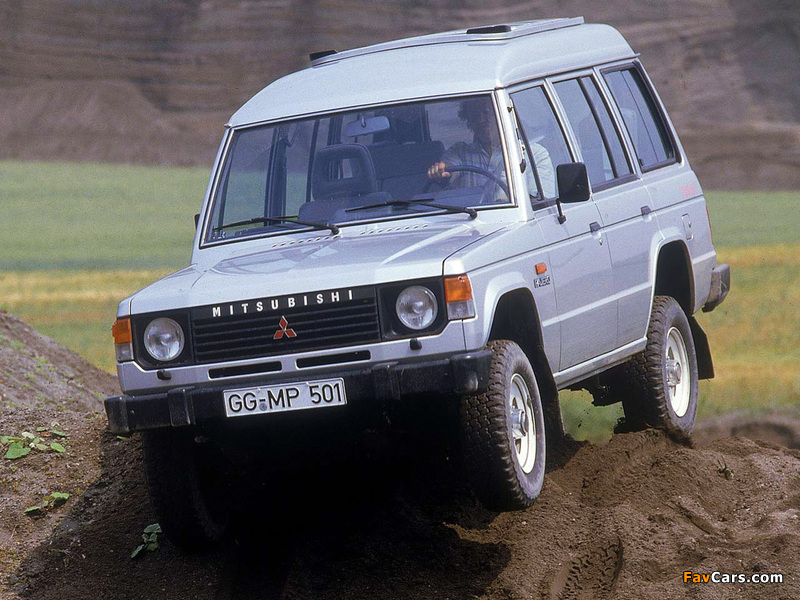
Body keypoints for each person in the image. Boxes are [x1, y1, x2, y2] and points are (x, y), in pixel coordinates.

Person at [427, 97, 555, 200]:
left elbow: (541, 204)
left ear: (502, 116)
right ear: (469, 121)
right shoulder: (460, 152)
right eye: (475, 115)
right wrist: (442, 171)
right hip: (468, 218)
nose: (482, 120)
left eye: (487, 113)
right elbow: (450, 168)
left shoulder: (533, 155)